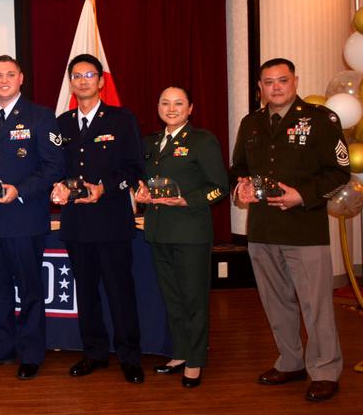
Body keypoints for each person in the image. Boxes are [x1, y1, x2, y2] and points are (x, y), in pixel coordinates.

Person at [230, 58, 348, 402]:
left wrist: (303, 195)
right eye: (268, 82)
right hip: (263, 229)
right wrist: (242, 187)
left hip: (304, 230)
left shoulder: (321, 120)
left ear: (295, 81)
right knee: (275, 301)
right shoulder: (250, 123)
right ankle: (291, 360)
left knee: (316, 305)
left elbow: (339, 171)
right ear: (260, 87)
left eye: (282, 80)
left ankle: (325, 369)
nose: (276, 87)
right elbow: (239, 167)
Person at [50, 53, 145, 384]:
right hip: (76, 225)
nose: (83, 80)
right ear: (71, 82)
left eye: (89, 75)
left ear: (101, 81)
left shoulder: (121, 119)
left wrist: (105, 187)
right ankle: (94, 353)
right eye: (76, 75)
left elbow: (135, 169)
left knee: (120, 292)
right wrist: (57, 188)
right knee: (86, 294)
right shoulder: (61, 123)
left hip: (112, 222)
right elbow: (55, 169)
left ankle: (130, 357)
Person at [0, 56, 64, 380]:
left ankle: (32, 354)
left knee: (30, 290)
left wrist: (19, 190)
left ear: (21, 78)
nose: (4, 80)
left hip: (24, 218)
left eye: (10, 74)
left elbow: (54, 168)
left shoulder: (41, 117)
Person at [133, 86, 228, 388]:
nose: (171, 109)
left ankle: (196, 360)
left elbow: (219, 187)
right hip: (158, 231)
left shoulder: (202, 141)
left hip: (190, 232)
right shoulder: (150, 142)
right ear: (158, 107)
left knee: (194, 299)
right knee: (172, 297)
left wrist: (186, 200)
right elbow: (143, 181)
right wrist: (142, 194)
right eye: (165, 103)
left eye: (178, 103)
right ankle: (180, 352)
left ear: (190, 108)